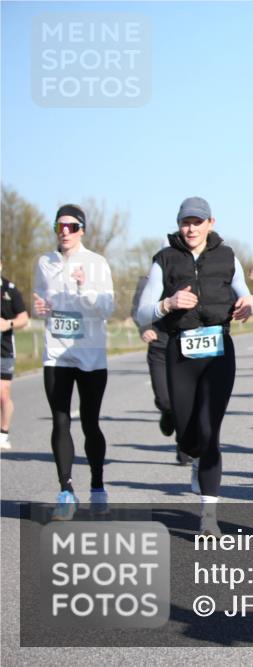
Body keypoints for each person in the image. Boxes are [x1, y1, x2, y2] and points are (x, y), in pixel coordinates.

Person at [136, 196, 253, 537]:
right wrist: (168, 303)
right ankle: (191, 451)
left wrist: (249, 303)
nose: (191, 228)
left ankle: (208, 517)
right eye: (186, 222)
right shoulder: (165, 259)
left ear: (210, 224)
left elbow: (244, 293)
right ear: (178, 224)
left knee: (211, 431)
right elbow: (144, 311)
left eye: (197, 222)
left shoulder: (227, 256)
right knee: (190, 437)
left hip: (218, 350)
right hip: (181, 350)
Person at [33, 204, 115, 519]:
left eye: (71, 226)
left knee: (90, 422)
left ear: (82, 230)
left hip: (91, 355)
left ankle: (97, 486)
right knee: (60, 420)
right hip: (57, 353)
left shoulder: (97, 263)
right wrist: (40, 307)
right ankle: (66, 491)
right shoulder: (44, 262)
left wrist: (84, 287)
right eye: (60, 226)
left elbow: (106, 309)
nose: (65, 231)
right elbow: (40, 298)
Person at [131, 273, 183, 463]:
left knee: (184, 400)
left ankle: (183, 443)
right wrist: (144, 328)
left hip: (184, 347)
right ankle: (167, 412)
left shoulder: (192, 273)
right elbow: (137, 309)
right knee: (164, 399)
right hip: (159, 346)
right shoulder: (146, 281)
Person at [0, 261, 29, 450]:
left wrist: (8, 324)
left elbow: (24, 318)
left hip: (4, 348)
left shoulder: (10, 290)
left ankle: (3, 432)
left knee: (3, 393)